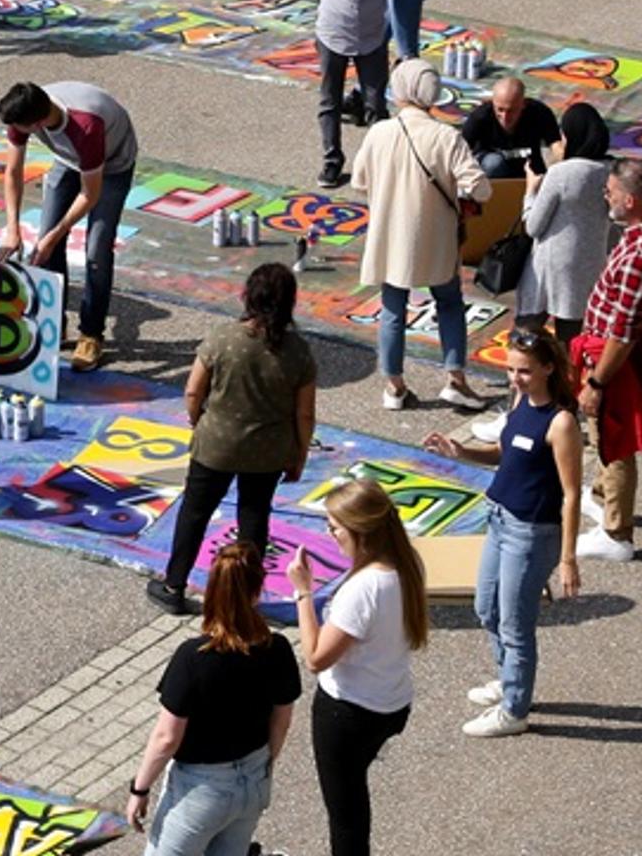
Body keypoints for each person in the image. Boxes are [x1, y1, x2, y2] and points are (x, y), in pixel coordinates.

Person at [419, 330, 580, 739]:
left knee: (515, 624)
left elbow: (572, 493)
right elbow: (506, 454)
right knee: (486, 608)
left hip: (530, 534)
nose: (515, 378)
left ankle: (514, 709)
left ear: (547, 368)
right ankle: (509, 678)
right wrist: (461, 451)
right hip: (498, 518)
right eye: (510, 370)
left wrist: (567, 559)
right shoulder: (520, 401)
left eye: (524, 371)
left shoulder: (561, 423)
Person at [154, 263, 317, 614]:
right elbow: (305, 414)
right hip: (269, 451)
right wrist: (299, 454)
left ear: (248, 296)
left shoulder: (222, 337)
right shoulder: (298, 351)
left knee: (195, 513)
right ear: (289, 302)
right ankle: (246, 596)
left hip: (216, 444)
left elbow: (193, 391)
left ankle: (174, 584)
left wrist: (199, 423)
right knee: (255, 518)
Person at [126, 540, 301, 856]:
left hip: (201, 790)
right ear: (257, 590)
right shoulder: (278, 649)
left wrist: (139, 788)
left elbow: (166, 738)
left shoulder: (192, 658)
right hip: (253, 780)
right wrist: (263, 765)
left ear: (212, 593)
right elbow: (282, 720)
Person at [290, 480, 426, 856]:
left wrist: (303, 591)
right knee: (353, 794)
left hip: (349, 713)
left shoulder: (362, 590)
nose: (329, 535)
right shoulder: (408, 563)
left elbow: (316, 658)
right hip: (392, 703)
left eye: (334, 528)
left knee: (346, 815)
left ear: (359, 531)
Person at [353, 60, 489, 409]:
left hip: (389, 236)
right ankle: (456, 378)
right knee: (449, 303)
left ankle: (394, 386)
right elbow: (481, 188)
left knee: (392, 310)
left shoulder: (380, 132)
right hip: (436, 238)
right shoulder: (446, 136)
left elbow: (359, 182)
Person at [569, 157, 642, 561]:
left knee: (612, 440)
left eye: (612, 192)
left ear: (631, 200)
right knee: (602, 436)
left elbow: (621, 331)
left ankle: (616, 533)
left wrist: (596, 383)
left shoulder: (638, 256)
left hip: (614, 357)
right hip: (629, 346)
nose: (606, 196)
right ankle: (601, 495)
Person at [0, 80, 139, 370]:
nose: (16, 133)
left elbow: (91, 194)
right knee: (44, 244)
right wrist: (13, 229)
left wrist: (56, 233)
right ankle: (53, 320)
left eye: (21, 129)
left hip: (112, 163)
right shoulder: (24, 110)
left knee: (97, 249)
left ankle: (91, 334)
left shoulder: (86, 127)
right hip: (69, 158)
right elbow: (12, 171)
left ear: (36, 124)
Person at [299, 0, 396, 188]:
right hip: (332, 35)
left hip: (372, 35)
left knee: (375, 103)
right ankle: (332, 161)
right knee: (330, 101)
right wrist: (333, 4)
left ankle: (377, 165)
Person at [521, 105, 616, 345]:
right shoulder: (613, 171)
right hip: (590, 264)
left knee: (526, 332)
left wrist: (530, 190)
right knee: (571, 339)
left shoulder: (561, 173)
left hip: (551, 265)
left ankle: (525, 378)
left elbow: (533, 226)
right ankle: (568, 381)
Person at [460, 77, 560, 185]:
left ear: (522, 104)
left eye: (511, 111)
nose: (505, 117)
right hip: (491, 168)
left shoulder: (539, 113)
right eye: (500, 109)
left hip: (528, 166)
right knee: (494, 163)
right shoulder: (480, 117)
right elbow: (460, 151)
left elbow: (557, 145)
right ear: (493, 103)